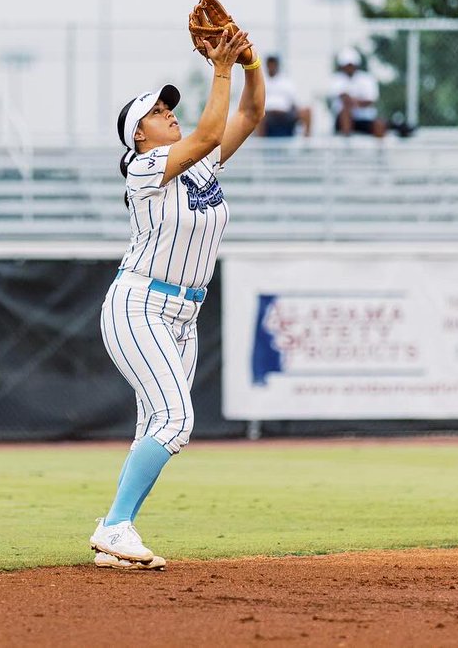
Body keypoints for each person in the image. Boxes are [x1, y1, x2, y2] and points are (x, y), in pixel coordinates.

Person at [90, 28, 264, 572]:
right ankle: (115, 526)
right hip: (139, 305)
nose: (170, 112)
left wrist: (251, 65)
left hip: (183, 316)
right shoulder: (142, 170)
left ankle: (117, 529)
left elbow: (251, 114)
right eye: (157, 112)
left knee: (157, 427)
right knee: (174, 421)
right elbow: (212, 127)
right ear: (137, 135)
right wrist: (220, 67)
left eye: (170, 107)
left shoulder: (201, 165)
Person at [328, 48, 385, 137]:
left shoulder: (367, 79)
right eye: (347, 65)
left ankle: (380, 149)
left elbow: (370, 101)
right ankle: (346, 143)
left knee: (380, 123)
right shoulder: (336, 79)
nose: (349, 68)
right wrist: (358, 102)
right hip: (342, 121)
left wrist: (352, 100)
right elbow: (345, 100)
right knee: (346, 112)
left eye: (351, 65)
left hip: (364, 119)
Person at [256, 55, 311, 138]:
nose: (272, 66)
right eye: (270, 64)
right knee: (259, 115)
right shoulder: (261, 81)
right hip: (267, 115)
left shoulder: (286, 82)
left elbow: (294, 102)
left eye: (273, 64)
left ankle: (307, 144)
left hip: (285, 114)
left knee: (307, 111)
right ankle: (260, 143)